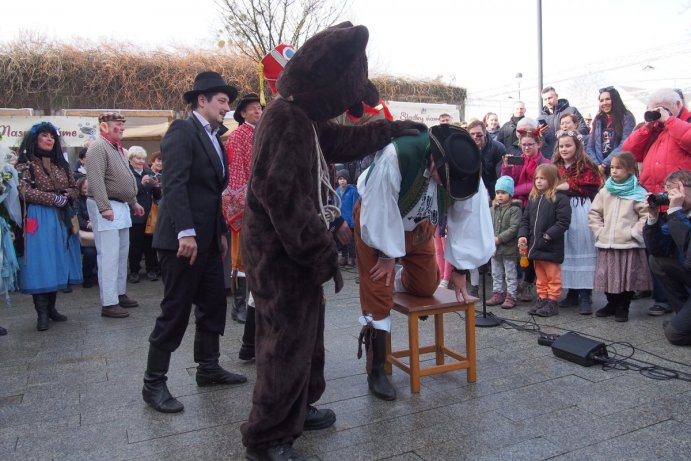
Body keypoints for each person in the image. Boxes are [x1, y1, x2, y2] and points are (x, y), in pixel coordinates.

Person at [240, 22, 427, 460]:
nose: (348, 103)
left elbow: (340, 139)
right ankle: (268, 436)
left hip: (293, 250)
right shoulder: (285, 120)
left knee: (306, 332)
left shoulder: (301, 117)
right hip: (280, 253)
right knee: (284, 339)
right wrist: (319, 251)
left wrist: (389, 129)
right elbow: (280, 195)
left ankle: (299, 409)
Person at [355, 123, 494, 400]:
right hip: (375, 225)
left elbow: (468, 218)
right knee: (377, 293)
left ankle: (397, 278)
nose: (443, 184)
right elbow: (380, 207)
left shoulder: (467, 169)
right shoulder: (398, 154)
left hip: (419, 226)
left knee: (426, 286)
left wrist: (460, 269)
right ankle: (377, 370)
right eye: (442, 176)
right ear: (434, 159)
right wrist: (386, 254)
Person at [142, 71, 247, 414]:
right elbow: (175, 184)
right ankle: (153, 383)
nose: (226, 108)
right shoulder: (182, 131)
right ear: (201, 101)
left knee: (214, 303)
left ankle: (208, 367)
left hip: (205, 239)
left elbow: (213, 192)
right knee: (175, 310)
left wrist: (217, 234)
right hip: (181, 241)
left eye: (227, 103)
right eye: (221, 101)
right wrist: (186, 232)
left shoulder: (216, 138)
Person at [622, 88, 691, 316]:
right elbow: (629, 152)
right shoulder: (653, 130)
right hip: (656, 200)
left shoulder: (683, 123)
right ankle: (665, 301)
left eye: (661, 109)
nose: (656, 114)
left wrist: (669, 121)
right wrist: (649, 127)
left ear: (678, 104)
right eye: (652, 110)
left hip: (682, 205)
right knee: (657, 254)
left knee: (684, 252)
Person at [16, 122, 83, 330]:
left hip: (61, 218)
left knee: (57, 260)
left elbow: (75, 187)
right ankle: (42, 312)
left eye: (52, 136)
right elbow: (24, 191)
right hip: (39, 217)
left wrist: (68, 195)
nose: (49, 139)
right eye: (44, 135)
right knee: (40, 261)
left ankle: (52, 308)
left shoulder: (60, 164)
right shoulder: (25, 165)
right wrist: (53, 199)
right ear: (34, 139)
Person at [86, 112, 144, 318]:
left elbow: (124, 179)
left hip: (120, 206)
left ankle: (119, 293)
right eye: (117, 124)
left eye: (122, 124)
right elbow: (95, 179)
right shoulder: (98, 147)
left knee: (121, 254)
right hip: (107, 205)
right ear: (104, 127)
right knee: (109, 256)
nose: (122, 127)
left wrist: (134, 202)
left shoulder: (118, 148)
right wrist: (103, 206)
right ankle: (109, 302)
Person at [589, 153, 650, 322]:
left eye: (619, 168)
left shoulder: (638, 192)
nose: (614, 171)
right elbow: (594, 213)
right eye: (613, 168)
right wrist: (600, 231)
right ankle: (611, 303)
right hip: (607, 242)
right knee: (607, 276)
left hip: (628, 244)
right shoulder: (605, 190)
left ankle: (623, 306)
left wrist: (634, 233)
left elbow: (646, 216)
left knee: (627, 277)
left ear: (630, 170)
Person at [552, 131, 603, 314]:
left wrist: (568, 186)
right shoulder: (555, 166)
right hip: (562, 210)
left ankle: (585, 295)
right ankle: (572, 292)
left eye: (568, 145)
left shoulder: (586, 165)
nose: (564, 149)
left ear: (577, 146)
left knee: (582, 247)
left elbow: (591, 185)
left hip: (580, 208)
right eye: (561, 146)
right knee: (567, 249)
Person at [223, 92, 263, 325]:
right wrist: (244, 201)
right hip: (246, 202)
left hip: (264, 201)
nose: (258, 111)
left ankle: (254, 301)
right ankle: (239, 305)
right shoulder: (238, 136)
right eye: (253, 108)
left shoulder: (265, 133)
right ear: (243, 113)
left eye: (260, 108)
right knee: (241, 257)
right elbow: (236, 173)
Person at [501, 126, 550, 303]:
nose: (527, 148)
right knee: (517, 245)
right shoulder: (518, 160)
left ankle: (529, 282)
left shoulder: (545, 163)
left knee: (530, 246)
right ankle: (515, 284)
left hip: (536, 206)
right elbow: (506, 182)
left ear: (539, 144)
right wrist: (506, 168)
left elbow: (535, 186)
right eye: (523, 145)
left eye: (530, 144)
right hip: (517, 207)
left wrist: (514, 190)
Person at [643, 170, 691, 345]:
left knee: (675, 335)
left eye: (675, 190)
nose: (671, 196)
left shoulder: (677, 214)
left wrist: (675, 211)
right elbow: (657, 250)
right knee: (657, 261)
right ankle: (683, 314)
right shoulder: (677, 215)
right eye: (668, 191)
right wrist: (653, 217)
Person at [517, 164, 571, 317]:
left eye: (543, 178)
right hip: (535, 245)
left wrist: (549, 235)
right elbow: (525, 219)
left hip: (550, 245)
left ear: (552, 180)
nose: (539, 181)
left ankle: (552, 301)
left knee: (553, 275)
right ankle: (542, 297)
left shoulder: (560, 198)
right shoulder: (533, 198)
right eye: (537, 178)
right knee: (540, 276)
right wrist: (522, 235)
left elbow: (563, 221)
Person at [127, 146, 161, 283]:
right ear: (131, 159)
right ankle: (134, 271)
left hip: (149, 214)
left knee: (150, 245)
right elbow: (129, 193)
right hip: (134, 214)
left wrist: (156, 186)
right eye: (137, 158)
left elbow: (157, 196)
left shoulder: (148, 172)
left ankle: (151, 269)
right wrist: (141, 184)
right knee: (135, 245)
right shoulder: (127, 173)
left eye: (142, 158)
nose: (141, 161)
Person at [487, 176, 522, 309]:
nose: (500, 196)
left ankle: (511, 295)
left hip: (508, 249)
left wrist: (499, 238)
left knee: (510, 273)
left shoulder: (515, 209)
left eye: (503, 193)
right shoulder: (492, 209)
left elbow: (514, 227)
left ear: (510, 194)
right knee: (496, 272)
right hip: (494, 249)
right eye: (498, 193)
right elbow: (488, 225)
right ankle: (497, 293)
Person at [586, 86, 636, 175]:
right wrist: (597, 165)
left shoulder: (626, 117)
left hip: (619, 167)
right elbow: (590, 146)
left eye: (607, 99)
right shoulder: (598, 120)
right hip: (600, 169)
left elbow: (625, 144)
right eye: (601, 100)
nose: (604, 103)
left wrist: (605, 163)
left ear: (615, 100)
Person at [540, 86, 589, 155]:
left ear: (556, 96)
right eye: (545, 99)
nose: (548, 101)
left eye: (550, 98)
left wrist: (567, 133)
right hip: (551, 157)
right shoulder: (541, 118)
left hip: (572, 154)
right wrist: (540, 134)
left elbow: (584, 130)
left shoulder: (572, 111)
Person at [467, 120, 506, 200]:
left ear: (485, 133)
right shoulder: (465, 148)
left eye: (478, 134)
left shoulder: (498, 148)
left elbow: (500, 175)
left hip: (492, 191)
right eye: (472, 134)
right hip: (472, 190)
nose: (475, 137)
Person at [75, 177, 97, 288]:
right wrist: (87, 224)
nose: (87, 190)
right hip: (85, 234)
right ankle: (87, 276)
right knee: (90, 253)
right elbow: (76, 218)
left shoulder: (96, 198)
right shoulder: (77, 200)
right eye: (84, 188)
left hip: (98, 229)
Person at [335, 169, 358, 266]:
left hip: (350, 220)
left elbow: (355, 206)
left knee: (351, 240)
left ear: (347, 180)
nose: (342, 180)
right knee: (342, 240)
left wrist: (353, 220)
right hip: (340, 220)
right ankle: (343, 256)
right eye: (340, 179)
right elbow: (335, 206)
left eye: (344, 178)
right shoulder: (336, 191)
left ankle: (351, 257)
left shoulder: (353, 191)